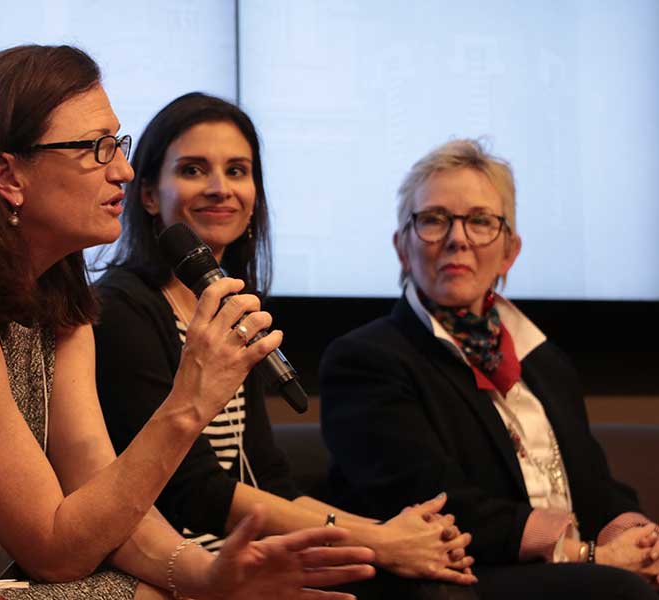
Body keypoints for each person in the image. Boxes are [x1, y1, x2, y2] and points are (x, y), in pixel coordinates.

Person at [0, 45, 376, 600]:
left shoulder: (60, 312)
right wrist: (190, 400)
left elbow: (102, 498)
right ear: (9, 177)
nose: (123, 169)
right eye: (97, 147)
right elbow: (55, 549)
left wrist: (211, 576)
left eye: (118, 144)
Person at [93, 92, 477, 597]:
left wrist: (391, 536)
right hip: (169, 568)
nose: (219, 188)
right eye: (192, 169)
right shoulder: (123, 309)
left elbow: (272, 484)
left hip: (247, 555)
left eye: (237, 170)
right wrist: (377, 541)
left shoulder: (233, 305)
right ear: (147, 194)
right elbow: (195, 491)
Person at [319, 138, 659, 599]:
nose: (457, 238)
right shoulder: (366, 361)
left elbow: (594, 483)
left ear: (509, 251)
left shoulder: (544, 359)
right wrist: (589, 558)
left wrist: (633, 538)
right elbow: (435, 504)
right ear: (402, 247)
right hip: (469, 576)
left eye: (480, 221)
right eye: (435, 220)